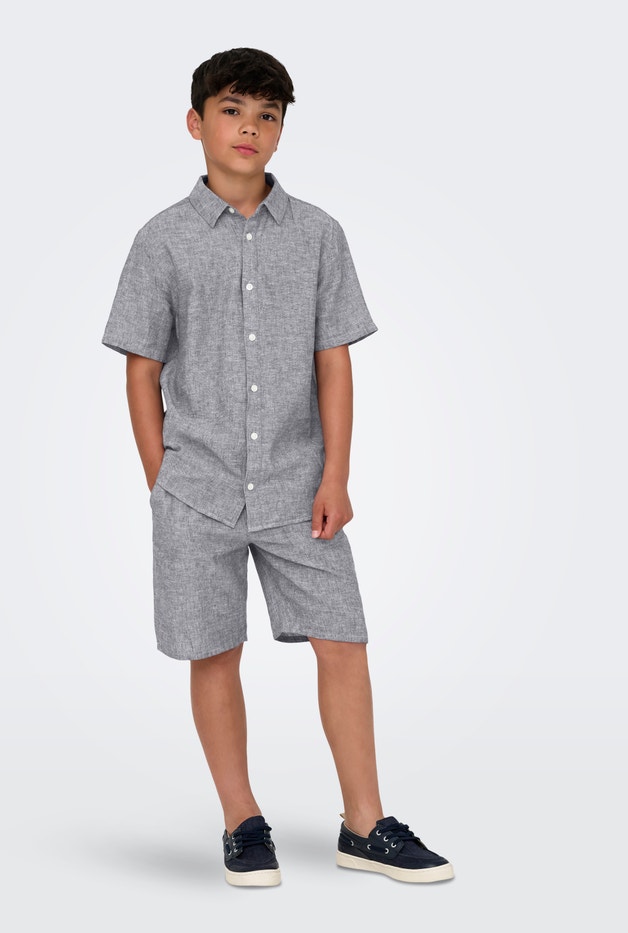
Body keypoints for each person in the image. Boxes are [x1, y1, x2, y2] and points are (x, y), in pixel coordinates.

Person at [102, 47, 453, 888]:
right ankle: (242, 820)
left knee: (344, 640)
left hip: (301, 485)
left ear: (282, 129)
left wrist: (336, 475)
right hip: (197, 490)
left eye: (267, 115)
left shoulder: (319, 234)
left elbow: (335, 360)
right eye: (232, 110)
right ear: (196, 123)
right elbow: (143, 369)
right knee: (214, 650)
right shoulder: (161, 239)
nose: (249, 128)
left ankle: (365, 824)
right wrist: (162, 481)